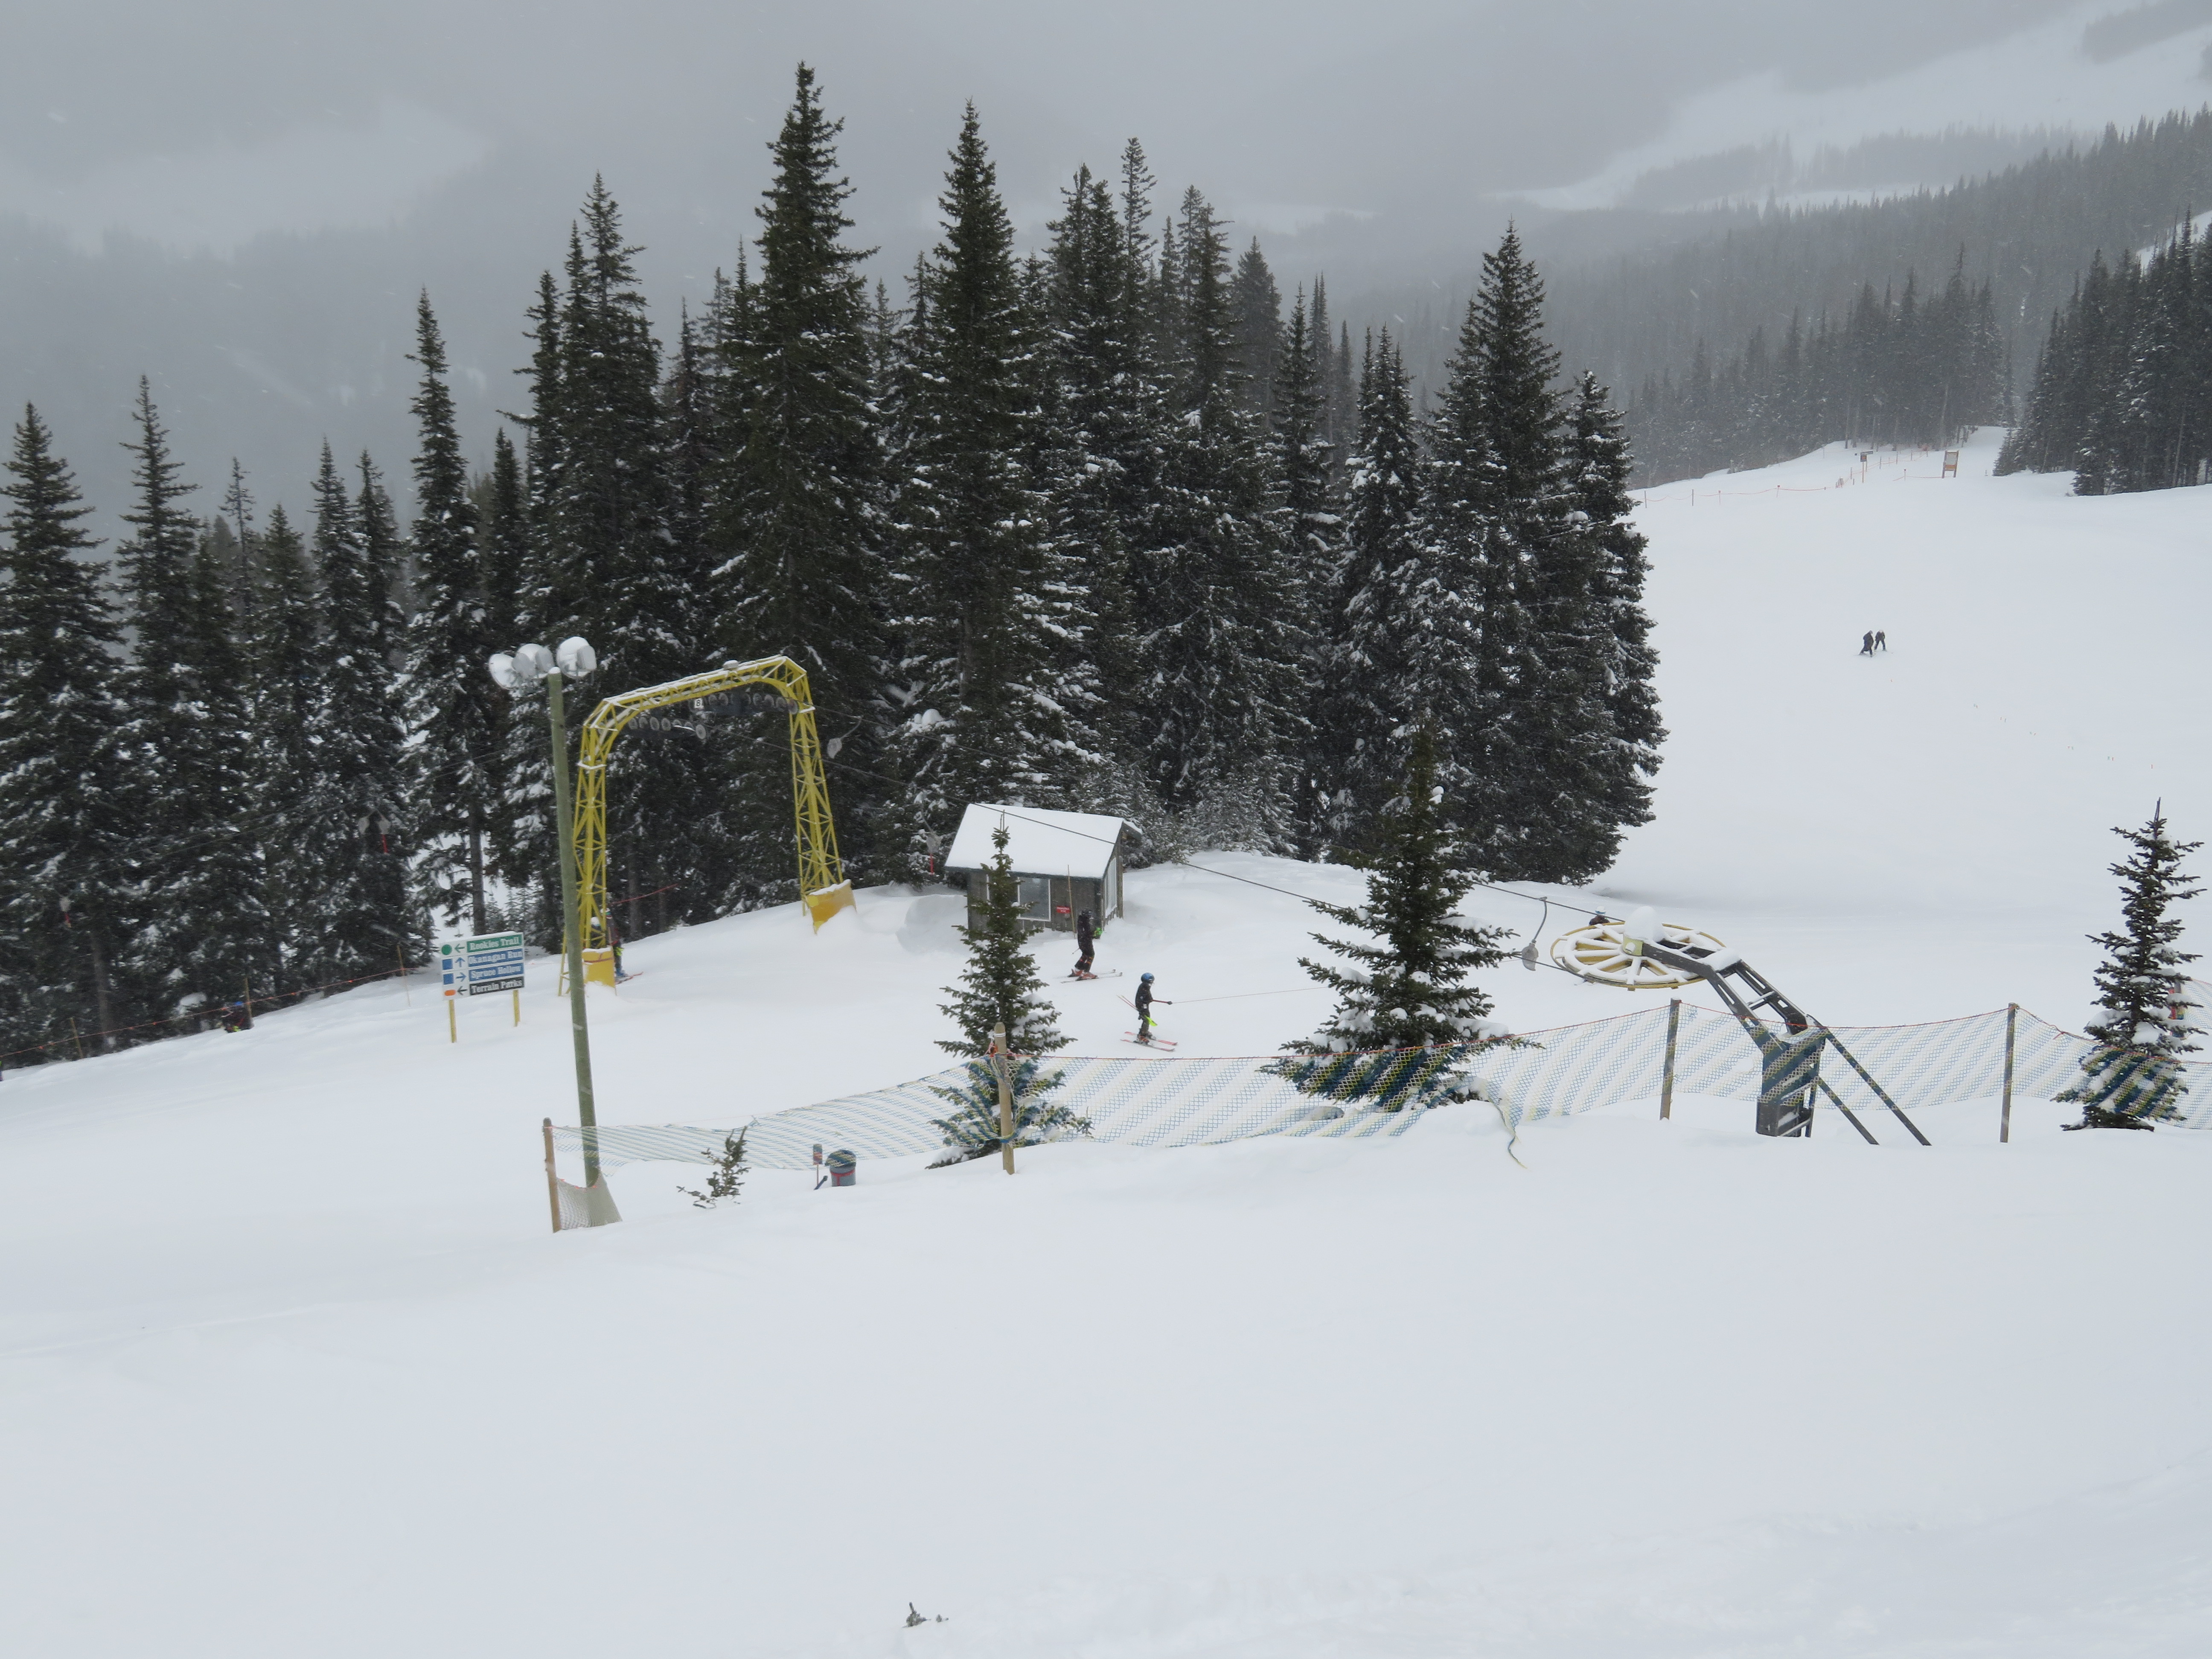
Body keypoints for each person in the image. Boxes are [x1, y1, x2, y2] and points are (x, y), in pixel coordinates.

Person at [1134, 971, 1171, 1043]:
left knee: (1148, 1018)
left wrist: (1150, 999)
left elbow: (1148, 995)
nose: (1151, 984)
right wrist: (1141, 1010)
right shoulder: (1143, 989)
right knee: (1146, 1020)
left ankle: (1145, 1031)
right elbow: (1140, 1000)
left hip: (1145, 1005)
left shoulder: (1146, 987)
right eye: (1150, 983)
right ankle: (1141, 1035)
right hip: (1142, 1006)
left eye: (1152, 982)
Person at [1071, 909, 1097, 979]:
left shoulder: (1081, 921)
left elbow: (1083, 933)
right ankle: (1086, 972)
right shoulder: (1085, 922)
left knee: (1085, 955)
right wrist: (1094, 934)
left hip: (1081, 942)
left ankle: (1078, 969)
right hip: (1086, 942)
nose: (1091, 916)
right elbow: (1087, 933)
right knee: (1091, 955)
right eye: (1089, 915)